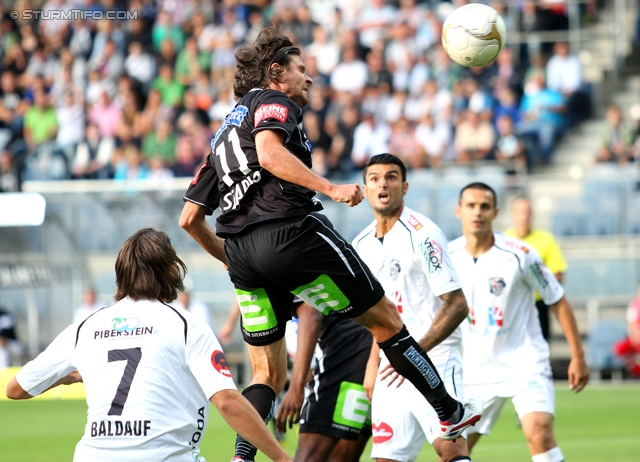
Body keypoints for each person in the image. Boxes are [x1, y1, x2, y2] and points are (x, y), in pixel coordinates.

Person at [179, 26, 481, 462]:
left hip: (243, 253)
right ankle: (448, 411)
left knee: (266, 373)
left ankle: (243, 457)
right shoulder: (273, 101)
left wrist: (232, 259)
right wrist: (330, 187)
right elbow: (269, 153)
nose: (310, 78)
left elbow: (189, 218)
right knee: (387, 323)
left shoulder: (224, 134)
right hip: (292, 233)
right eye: (303, 69)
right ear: (276, 72)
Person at [5, 228, 292, 462]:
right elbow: (228, 403)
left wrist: (68, 379)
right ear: (171, 270)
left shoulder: (85, 327)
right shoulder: (185, 325)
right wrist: (281, 458)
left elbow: (15, 389)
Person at [448, 183, 589, 462]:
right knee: (452, 449)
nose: (478, 212)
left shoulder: (520, 254)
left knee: (539, 432)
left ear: (496, 212)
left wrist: (578, 355)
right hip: (474, 371)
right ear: (458, 211)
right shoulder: (447, 257)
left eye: (485, 206)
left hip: (525, 362)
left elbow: (557, 299)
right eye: (471, 206)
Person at [352, 154, 478, 462]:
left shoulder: (423, 234)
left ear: (404, 187)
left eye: (392, 177)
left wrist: (413, 355)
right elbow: (376, 315)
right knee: (387, 458)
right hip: (389, 368)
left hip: (435, 357)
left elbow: (457, 304)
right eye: (375, 178)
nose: (383, 183)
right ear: (366, 189)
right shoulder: (361, 244)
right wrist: (372, 366)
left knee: (449, 448)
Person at [276, 301, 374, 462]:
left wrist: (296, 388)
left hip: (345, 353)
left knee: (310, 456)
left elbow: (311, 314)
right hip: (371, 347)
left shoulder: (275, 276)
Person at [504, 197, 568, 343]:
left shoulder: (546, 239)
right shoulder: (503, 240)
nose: (523, 216)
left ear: (532, 215)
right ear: (512, 215)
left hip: (538, 305)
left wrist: (531, 279)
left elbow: (558, 275)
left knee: (540, 346)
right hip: (510, 303)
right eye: (519, 212)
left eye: (527, 212)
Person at [613, 282, 640, 377]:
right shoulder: (634, 304)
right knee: (619, 349)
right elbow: (631, 324)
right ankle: (635, 371)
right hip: (636, 339)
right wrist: (634, 338)